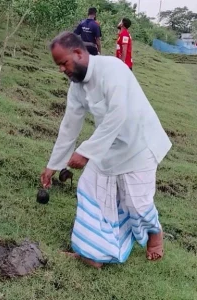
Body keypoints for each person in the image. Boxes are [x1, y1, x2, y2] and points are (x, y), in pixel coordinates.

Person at [40, 31, 172, 269]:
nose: (62, 70)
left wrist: (86, 152)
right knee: (90, 191)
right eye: (59, 66)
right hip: (108, 147)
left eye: (64, 63)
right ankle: (93, 252)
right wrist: (54, 165)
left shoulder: (112, 69)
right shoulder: (77, 88)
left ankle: (155, 236)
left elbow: (118, 114)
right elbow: (69, 126)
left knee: (137, 204)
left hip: (139, 145)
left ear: (79, 53)